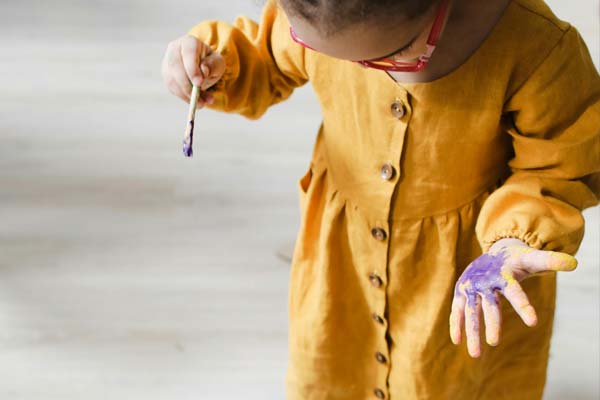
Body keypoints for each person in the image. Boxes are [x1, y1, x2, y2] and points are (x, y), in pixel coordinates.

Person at [161, 0, 600, 398]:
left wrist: (517, 234)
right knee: (335, 369)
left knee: (450, 383)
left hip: (464, 275)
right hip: (343, 262)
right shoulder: (324, 11)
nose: (361, 70)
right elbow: (266, 56)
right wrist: (215, 63)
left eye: (388, 56)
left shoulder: (537, 48)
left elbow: (561, 161)